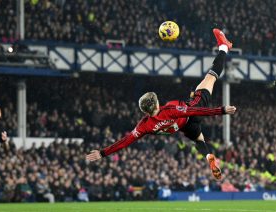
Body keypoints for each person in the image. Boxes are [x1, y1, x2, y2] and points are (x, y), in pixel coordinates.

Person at [86, 28, 235, 180]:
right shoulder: (169, 109)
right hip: (192, 110)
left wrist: (102, 153)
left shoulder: (144, 126)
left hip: (185, 127)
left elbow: (124, 142)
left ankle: (209, 156)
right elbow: (195, 111)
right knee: (211, 77)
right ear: (156, 104)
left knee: (199, 140)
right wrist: (221, 110)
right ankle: (224, 46)